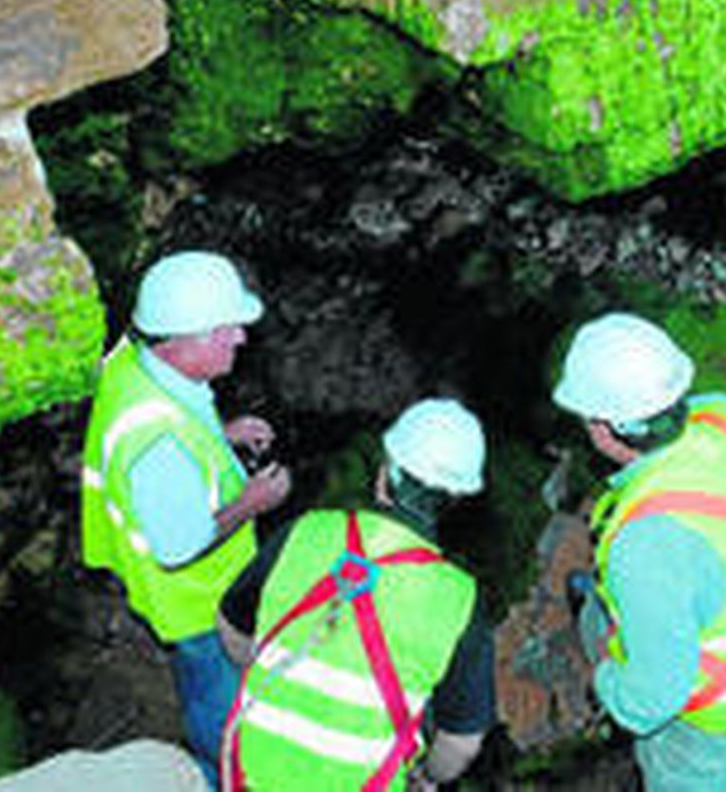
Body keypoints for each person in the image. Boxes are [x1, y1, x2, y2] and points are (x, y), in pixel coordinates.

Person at [552, 313, 726, 791]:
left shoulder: (645, 549)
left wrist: (606, 686)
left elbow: (652, 701)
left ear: (603, 428)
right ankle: (600, 614)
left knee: (675, 768)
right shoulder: (725, 416)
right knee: (615, 608)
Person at [82, 251, 293, 784]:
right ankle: (220, 773)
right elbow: (177, 546)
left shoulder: (134, 359)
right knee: (216, 700)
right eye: (226, 331)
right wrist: (253, 503)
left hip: (171, 575)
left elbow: (173, 416)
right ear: (183, 342)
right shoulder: (158, 444)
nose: (241, 340)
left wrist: (222, 433)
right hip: (196, 607)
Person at [216, 399, 495, 791]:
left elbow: (230, 625)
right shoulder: (459, 600)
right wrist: (428, 778)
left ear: (385, 472)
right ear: (458, 499)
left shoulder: (304, 532)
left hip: (251, 768)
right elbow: (461, 744)